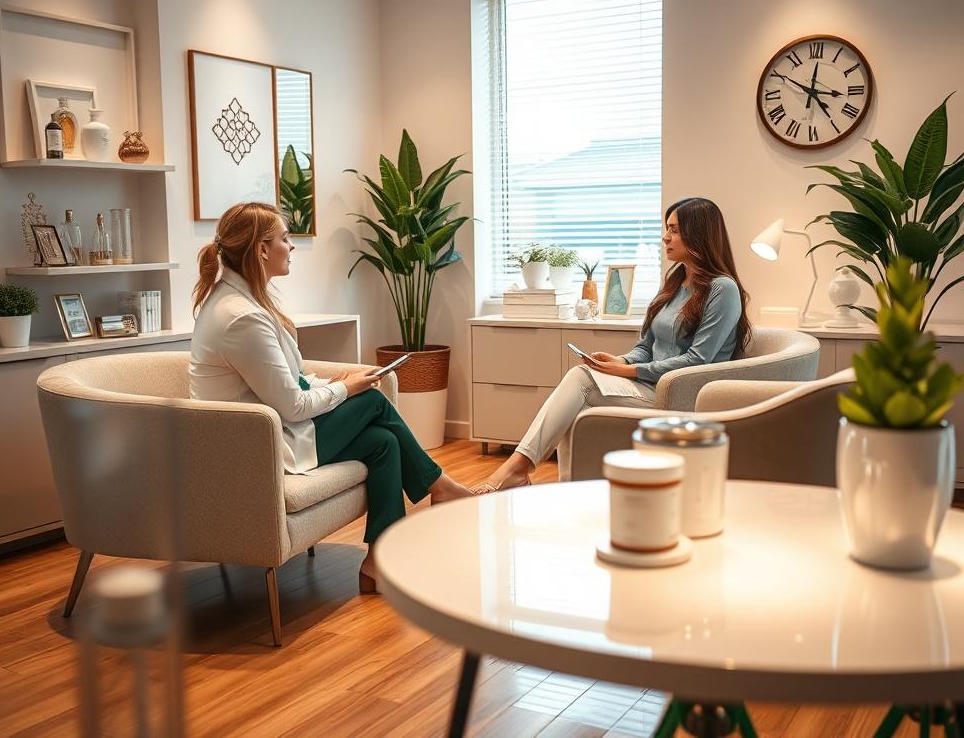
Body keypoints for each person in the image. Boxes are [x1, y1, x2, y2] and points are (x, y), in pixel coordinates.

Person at [189, 202, 475, 593]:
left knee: (383, 442)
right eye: (286, 239)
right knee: (373, 403)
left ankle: (379, 560)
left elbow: (289, 379)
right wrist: (348, 387)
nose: (292, 247)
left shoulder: (246, 303)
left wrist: (339, 377)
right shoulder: (241, 317)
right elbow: (292, 404)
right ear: (261, 250)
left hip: (275, 431)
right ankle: (441, 488)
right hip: (255, 447)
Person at [480, 197, 751, 491]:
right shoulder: (674, 284)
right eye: (666, 229)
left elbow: (698, 360)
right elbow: (646, 346)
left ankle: (516, 470)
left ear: (698, 234)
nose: (665, 237)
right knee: (578, 397)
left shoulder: (722, 289)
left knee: (581, 382)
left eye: (674, 230)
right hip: (650, 386)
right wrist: (619, 361)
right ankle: (564, 487)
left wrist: (629, 372)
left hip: (682, 395)